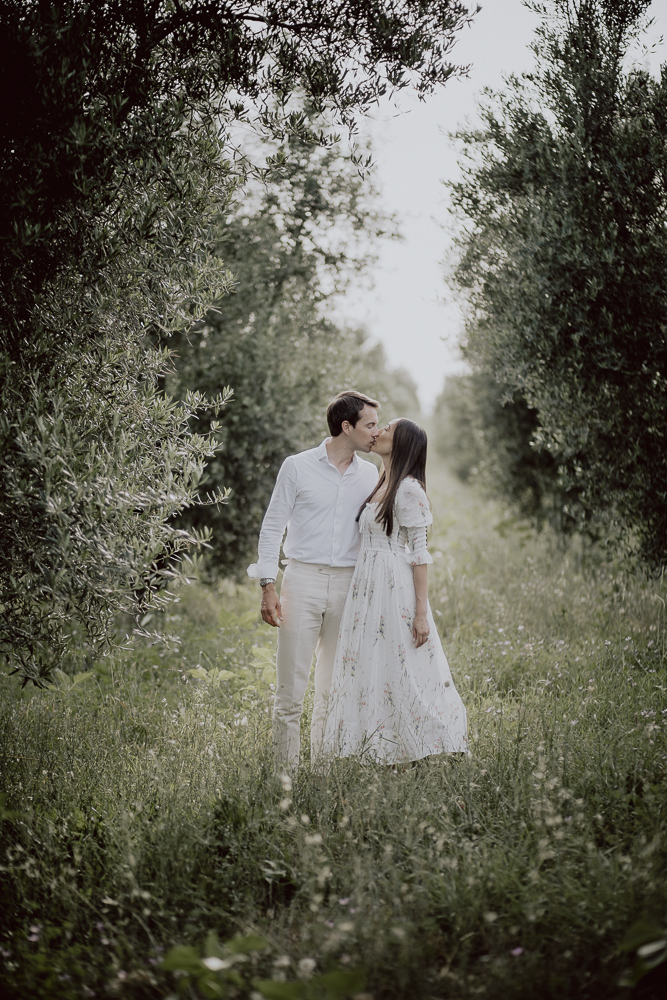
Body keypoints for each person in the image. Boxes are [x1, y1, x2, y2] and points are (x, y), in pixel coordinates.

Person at [322, 418, 468, 764]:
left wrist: (420, 613)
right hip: (367, 585)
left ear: (401, 442)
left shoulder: (409, 489)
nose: (378, 432)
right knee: (372, 664)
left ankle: (431, 740)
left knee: (403, 666)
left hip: (392, 586)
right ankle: (377, 746)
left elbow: (420, 553)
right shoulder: (381, 480)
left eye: (385, 429)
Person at [248, 390, 380, 768]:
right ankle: (284, 776)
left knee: (333, 689)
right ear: (346, 427)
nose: (375, 432)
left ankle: (322, 771)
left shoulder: (370, 473)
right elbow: (272, 527)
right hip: (301, 582)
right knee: (290, 690)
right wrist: (267, 584)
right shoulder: (297, 467)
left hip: (348, 587)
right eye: (369, 425)